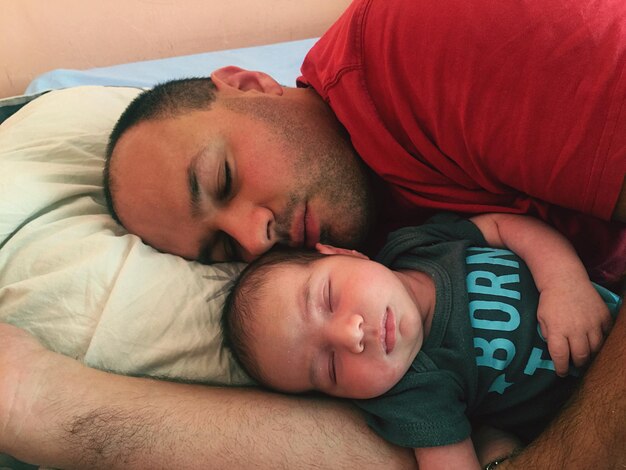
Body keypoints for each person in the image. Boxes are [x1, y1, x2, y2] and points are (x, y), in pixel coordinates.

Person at [2, 0, 625, 468]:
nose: (253, 238)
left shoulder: (428, 41)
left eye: (222, 177)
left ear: (249, 85)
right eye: (222, 251)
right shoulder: (366, 266)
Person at [221, 213, 622, 469]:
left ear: (347, 254)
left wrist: (562, 281)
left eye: (328, 299)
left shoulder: (415, 244)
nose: (351, 335)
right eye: (329, 368)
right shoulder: (413, 394)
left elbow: (506, 227)